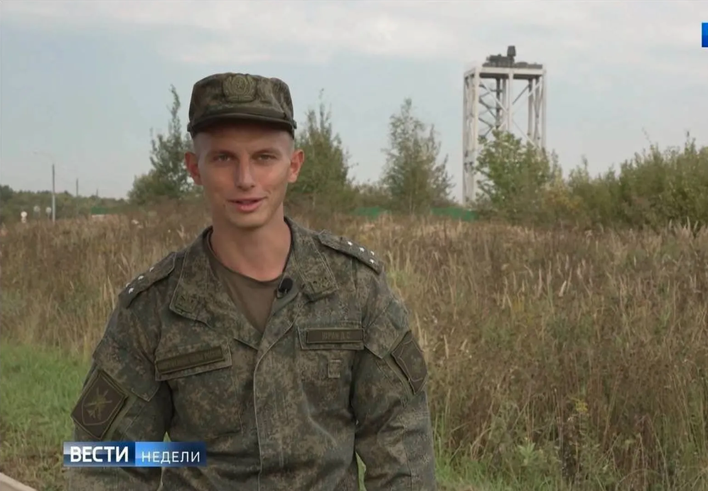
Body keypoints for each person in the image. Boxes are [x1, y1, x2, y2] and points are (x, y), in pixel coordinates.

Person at [67, 72, 437, 490]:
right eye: (224, 158)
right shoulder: (154, 308)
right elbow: (107, 459)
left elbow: (401, 443)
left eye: (264, 157)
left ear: (293, 166)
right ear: (195, 168)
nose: (246, 179)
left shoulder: (355, 287)